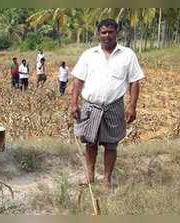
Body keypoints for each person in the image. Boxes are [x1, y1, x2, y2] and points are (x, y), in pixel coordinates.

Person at [71, 18, 144, 191]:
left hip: (114, 107)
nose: (107, 35)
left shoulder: (128, 55)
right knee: (90, 143)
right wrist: (74, 103)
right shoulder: (89, 54)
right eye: (103, 32)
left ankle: (107, 180)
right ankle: (89, 175)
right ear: (99, 34)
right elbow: (78, 81)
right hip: (91, 105)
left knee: (111, 145)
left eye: (110, 32)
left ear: (116, 33)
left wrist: (132, 106)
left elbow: (134, 82)